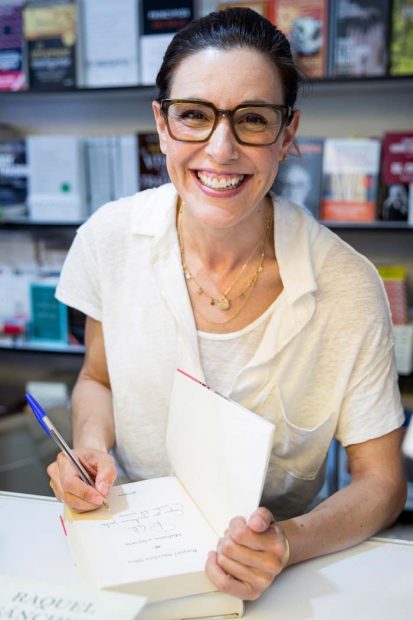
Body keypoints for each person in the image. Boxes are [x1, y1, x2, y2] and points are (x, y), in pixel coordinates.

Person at [47, 8, 406, 602]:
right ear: (161, 124)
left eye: (253, 120)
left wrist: (289, 541)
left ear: (287, 136)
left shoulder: (347, 285)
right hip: (136, 558)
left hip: (283, 587)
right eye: (194, 115)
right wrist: (89, 445)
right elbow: (97, 378)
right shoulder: (108, 239)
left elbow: (383, 482)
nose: (220, 149)